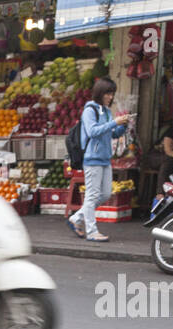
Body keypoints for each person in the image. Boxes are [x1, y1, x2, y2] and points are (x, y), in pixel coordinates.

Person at [67, 77, 130, 243]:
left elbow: (112, 133)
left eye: (112, 94)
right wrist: (114, 122)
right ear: (99, 92)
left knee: (105, 194)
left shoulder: (107, 111)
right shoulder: (90, 110)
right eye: (108, 93)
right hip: (92, 158)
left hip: (105, 158)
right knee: (92, 195)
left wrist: (122, 126)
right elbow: (93, 131)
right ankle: (92, 231)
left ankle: (77, 218)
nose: (110, 97)